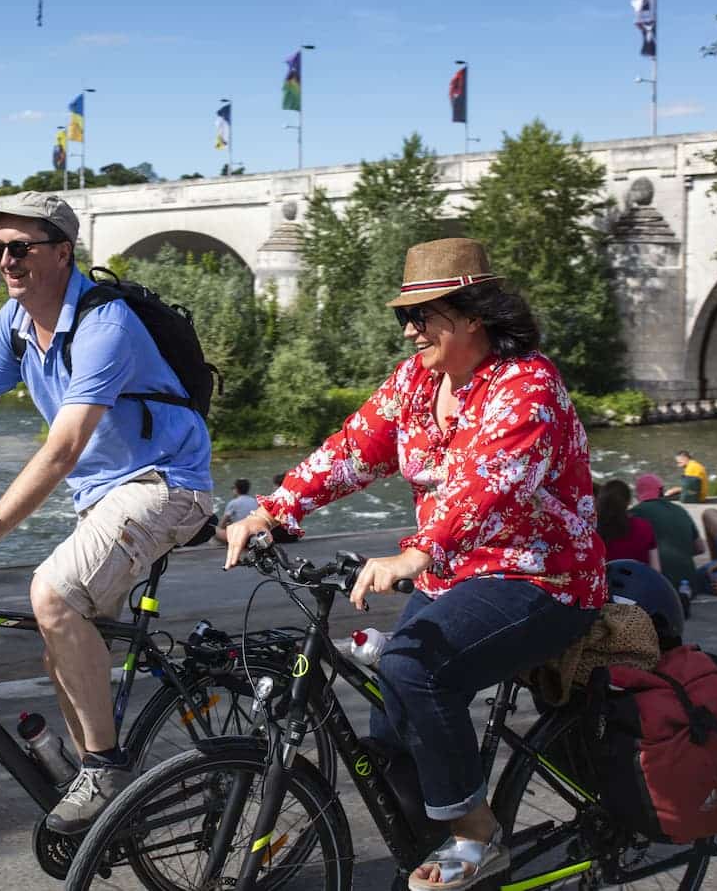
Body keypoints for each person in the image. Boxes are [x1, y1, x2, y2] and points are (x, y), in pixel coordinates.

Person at [225, 238, 602, 891]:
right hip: (453, 574)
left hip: (543, 575)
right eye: (406, 315)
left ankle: (477, 835)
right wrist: (273, 511)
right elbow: (351, 450)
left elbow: (493, 482)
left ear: (472, 313)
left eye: (423, 314)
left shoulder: (527, 383)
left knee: (413, 666)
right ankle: (444, 841)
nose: (409, 329)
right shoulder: (416, 383)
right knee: (392, 729)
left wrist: (415, 552)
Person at [0, 192, 213, 834]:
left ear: (63, 252)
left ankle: (103, 769)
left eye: (22, 248)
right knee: (60, 646)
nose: (7, 261)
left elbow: (63, 448)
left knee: (51, 595)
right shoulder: (13, 323)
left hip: (165, 483)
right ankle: (106, 803)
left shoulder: (106, 324)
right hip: (105, 496)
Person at [631, 473, 703, 592]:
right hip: (690, 584)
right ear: (661, 490)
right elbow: (700, 548)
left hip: (660, 588)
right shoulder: (680, 510)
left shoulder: (634, 514)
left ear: (638, 494)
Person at [596, 478, 660, 570]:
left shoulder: (593, 529)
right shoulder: (644, 527)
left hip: (604, 583)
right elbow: (656, 570)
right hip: (638, 582)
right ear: (628, 502)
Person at [214, 478, 260, 544]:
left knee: (214, 530)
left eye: (233, 488)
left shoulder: (233, 503)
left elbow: (222, 524)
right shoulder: (255, 501)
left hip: (241, 538)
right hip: (254, 536)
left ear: (236, 489)